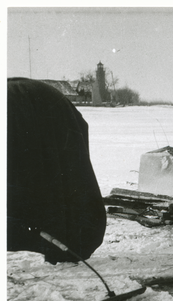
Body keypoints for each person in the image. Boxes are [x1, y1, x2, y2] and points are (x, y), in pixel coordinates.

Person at [7, 78, 107, 264]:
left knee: (59, 178)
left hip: (40, 110)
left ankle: (69, 242)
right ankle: (65, 240)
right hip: (40, 107)